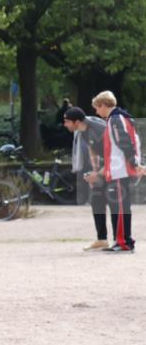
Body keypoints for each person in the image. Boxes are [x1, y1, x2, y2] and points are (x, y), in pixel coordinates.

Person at [92, 91, 142, 253]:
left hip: (120, 170)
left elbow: (124, 142)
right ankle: (124, 240)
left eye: (97, 108)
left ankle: (123, 242)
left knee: (119, 207)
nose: (96, 112)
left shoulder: (114, 119)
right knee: (121, 206)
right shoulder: (120, 118)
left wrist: (134, 162)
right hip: (119, 170)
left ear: (104, 105)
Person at [62, 107, 110, 251]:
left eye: (67, 121)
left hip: (118, 165)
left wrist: (98, 174)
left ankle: (123, 240)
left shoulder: (99, 129)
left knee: (117, 204)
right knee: (96, 200)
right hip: (104, 168)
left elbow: (114, 155)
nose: (65, 124)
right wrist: (94, 173)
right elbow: (92, 151)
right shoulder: (82, 131)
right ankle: (102, 239)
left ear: (77, 122)